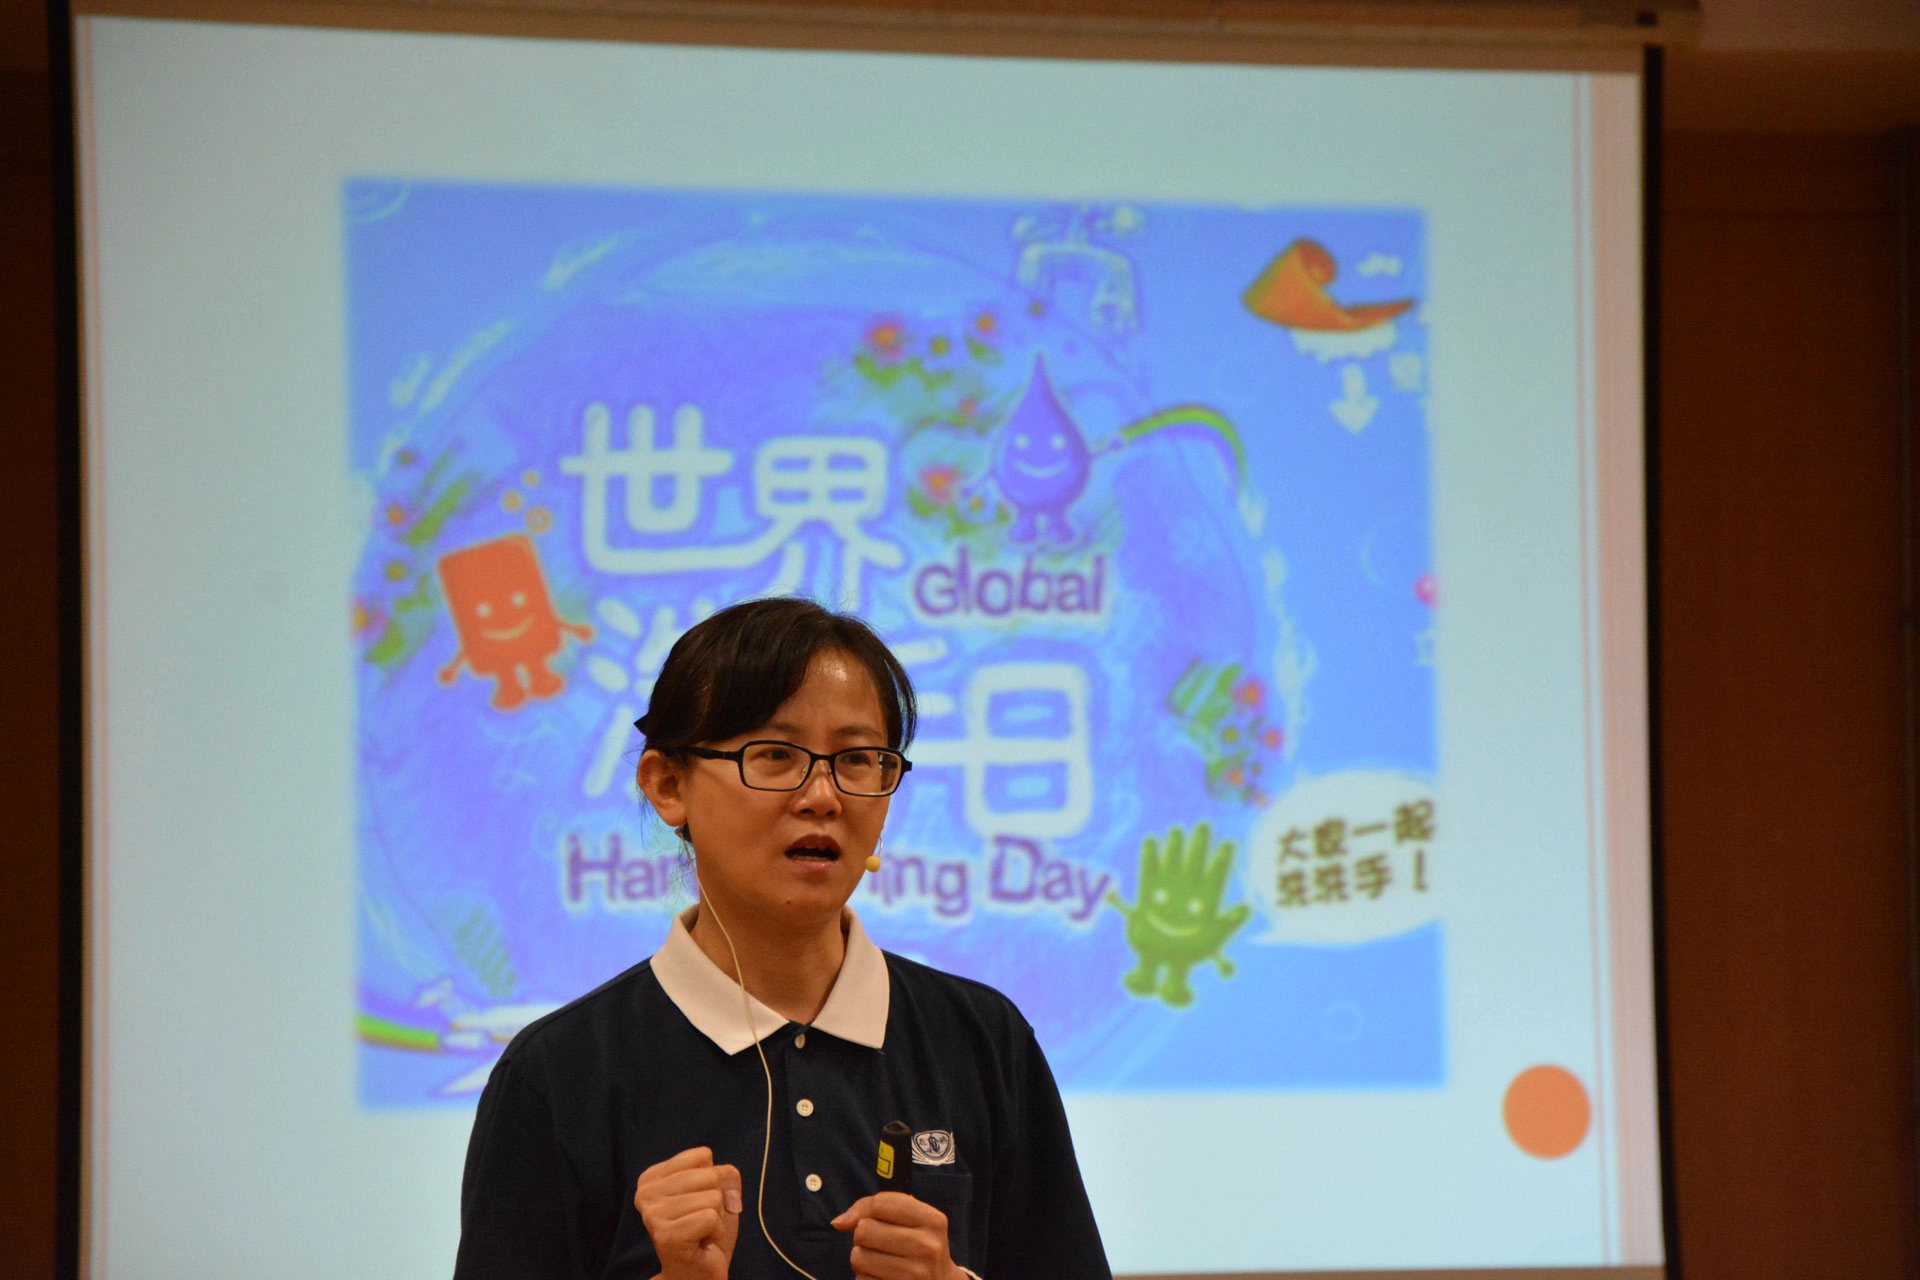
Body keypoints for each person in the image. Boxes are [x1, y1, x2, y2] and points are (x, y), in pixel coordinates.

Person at [453, 597, 1111, 1280]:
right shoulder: (558, 1074)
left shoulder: (983, 1042)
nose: (823, 795)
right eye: (774, 755)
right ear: (668, 785)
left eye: (858, 759)